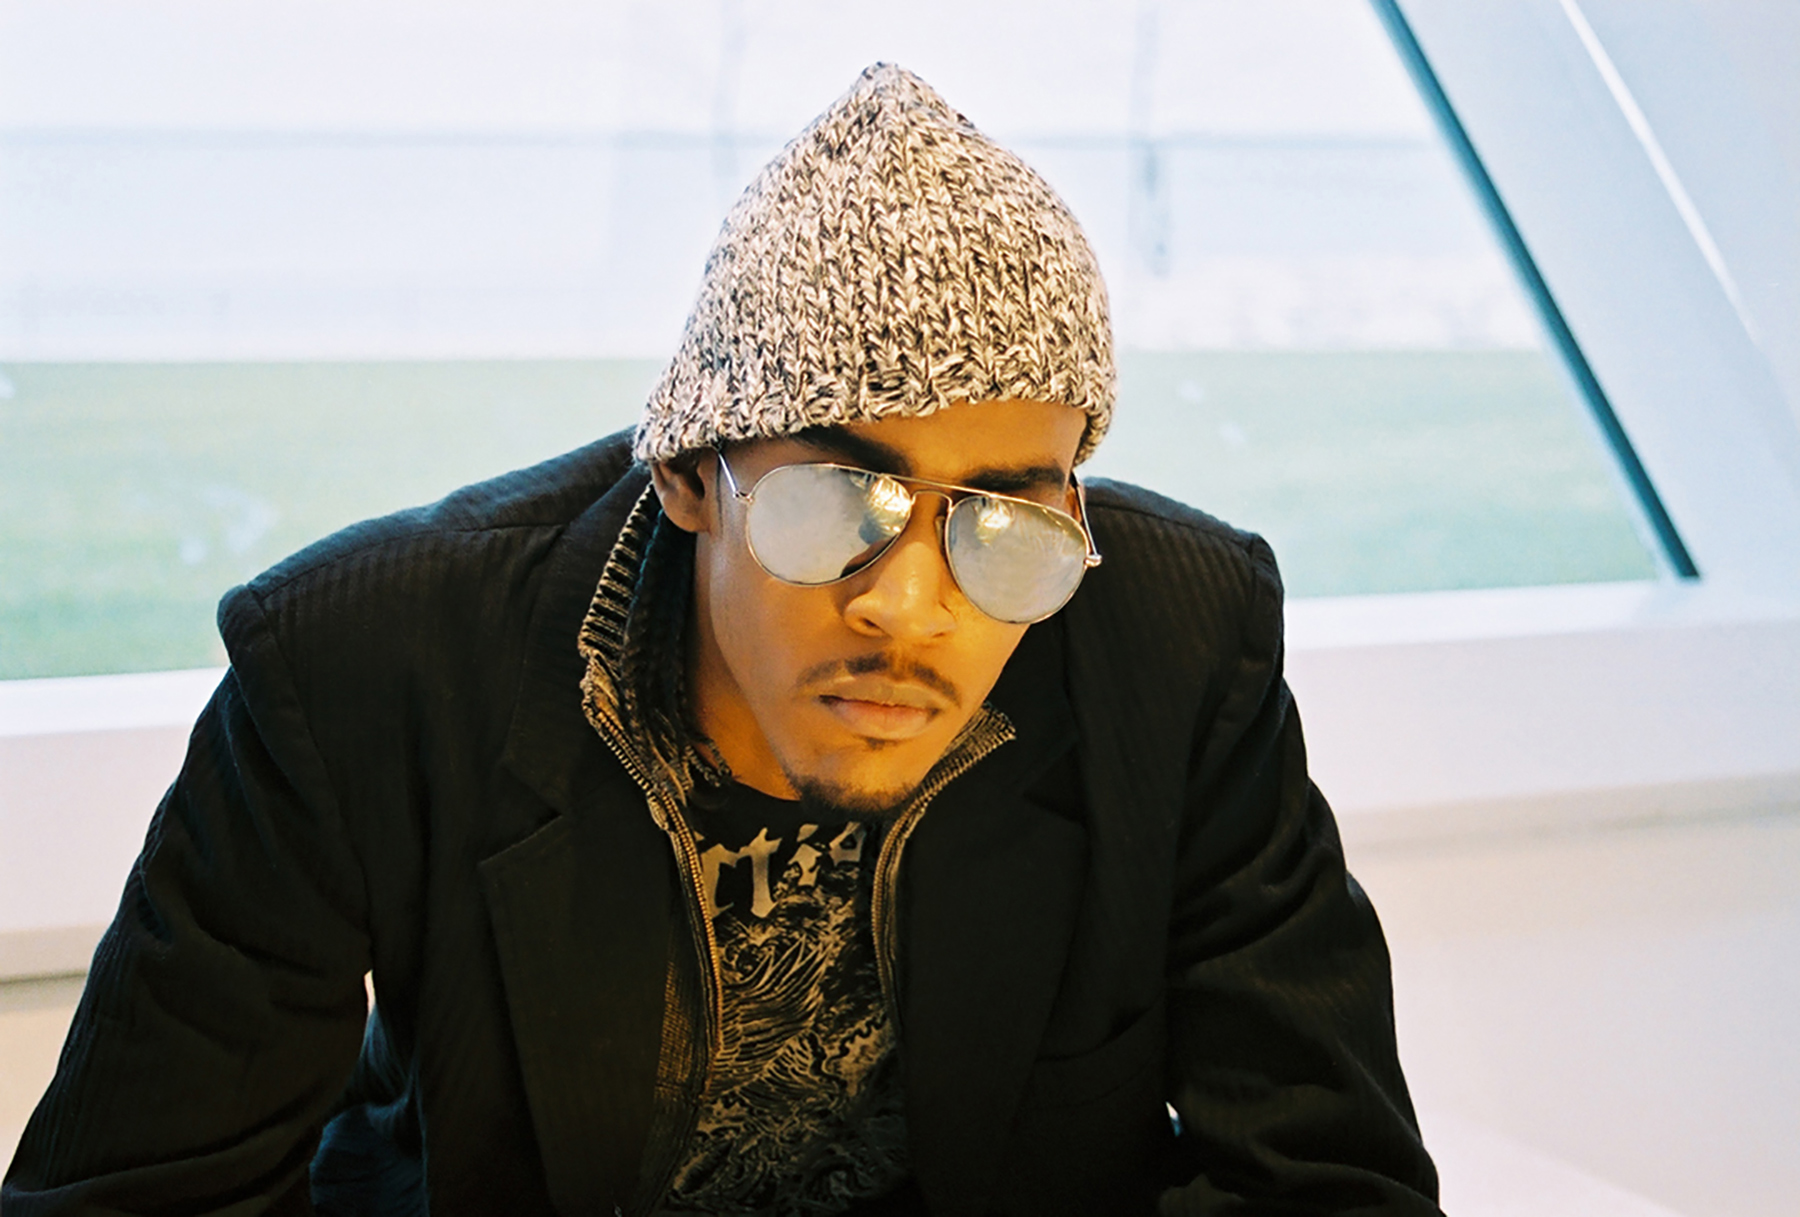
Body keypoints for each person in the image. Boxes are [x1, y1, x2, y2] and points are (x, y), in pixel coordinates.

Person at [3, 65, 1440, 1216]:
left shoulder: (1176, 645)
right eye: (836, 503)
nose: (908, 606)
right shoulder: (369, 668)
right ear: (690, 472)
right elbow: (134, 1193)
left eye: (1000, 521)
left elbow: (1327, 1182)